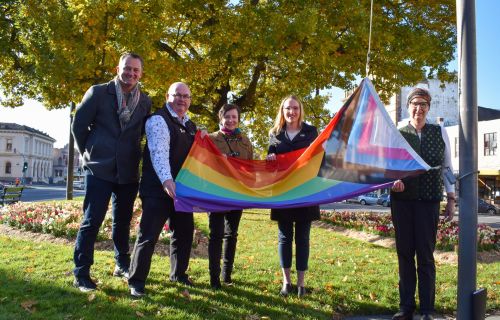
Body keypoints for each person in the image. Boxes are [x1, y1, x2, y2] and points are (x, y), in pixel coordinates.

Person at [71, 52, 152, 292]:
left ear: (141, 74)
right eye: (127, 68)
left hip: (127, 170)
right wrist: (89, 151)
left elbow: (142, 134)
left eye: (136, 70)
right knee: (91, 221)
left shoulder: (145, 101)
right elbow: (78, 125)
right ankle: (81, 273)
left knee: (123, 222)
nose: (131, 73)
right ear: (118, 68)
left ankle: (122, 264)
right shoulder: (98, 93)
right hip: (99, 168)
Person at [390, 87, 455, 320]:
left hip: (429, 201)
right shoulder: (397, 129)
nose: (419, 109)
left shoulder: (440, 132)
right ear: (408, 106)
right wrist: (393, 179)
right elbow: (388, 162)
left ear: (429, 108)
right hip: (402, 200)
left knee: (425, 256)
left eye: (424, 105)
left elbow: (448, 168)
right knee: (405, 253)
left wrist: (451, 198)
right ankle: (406, 306)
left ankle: (427, 309)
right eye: (415, 104)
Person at [128, 82, 197, 297]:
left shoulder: (191, 125)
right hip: (158, 190)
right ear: (168, 96)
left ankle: (178, 274)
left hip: (182, 192)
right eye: (177, 95)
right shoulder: (158, 120)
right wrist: (167, 182)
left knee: (184, 234)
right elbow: (159, 154)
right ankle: (136, 281)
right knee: (148, 236)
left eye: (186, 96)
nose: (181, 100)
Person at [266, 95, 319, 298]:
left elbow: (317, 157)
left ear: (300, 110)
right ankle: (287, 282)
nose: (291, 112)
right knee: (284, 238)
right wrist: (270, 157)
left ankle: (301, 284)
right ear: (282, 110)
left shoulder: (310, 131)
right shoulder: (275, 133)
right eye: (288, 108)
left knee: (303, 239)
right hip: (283, 192)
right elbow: (270, 156)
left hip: (305, 192)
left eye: (295, 108)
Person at [206, 104, 253, 289]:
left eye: (234, 117)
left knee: (231, 234)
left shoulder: (245, 141)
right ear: (221, 118)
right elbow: (203, 164)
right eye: (227, 117)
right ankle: (214, 277)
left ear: (238, 119)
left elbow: (250, 167)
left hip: (237, 193)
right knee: (216, 235)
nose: (231, 120)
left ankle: (227, 275)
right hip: (216, 193)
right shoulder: (210, 139)